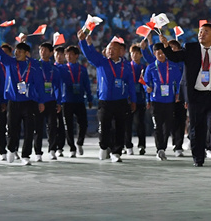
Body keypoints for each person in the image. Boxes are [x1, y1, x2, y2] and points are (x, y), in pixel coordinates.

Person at [159, 22, 211, 167]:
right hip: (196, 96)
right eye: (200, 31)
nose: (202, 34)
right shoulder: (190, 48)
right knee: (196, 128)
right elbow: (175, 58)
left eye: (206, 31)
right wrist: (166, 46)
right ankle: (198, 157)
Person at [77, 30, 137, 163]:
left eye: (114, 49)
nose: (111, 51)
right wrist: (82, 41)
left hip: (121, 102)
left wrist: (133, 100)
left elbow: (131, 85)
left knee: (120, 127)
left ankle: (117, 152)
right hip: (105, 102)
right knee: (104, 126)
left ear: (120, 50)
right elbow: (89, 54)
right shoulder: (101, 62)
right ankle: (104, 147)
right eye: (109, 49)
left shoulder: (126, 66)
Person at [0, 28, 45, 165]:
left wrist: (41, 101)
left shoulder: (34, 66)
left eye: (20, 51)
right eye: (16, 50)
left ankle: (26, 156)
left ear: (27, 53)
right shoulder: (10, 63)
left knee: (28, 131)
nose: (16, 52)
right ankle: (11, 149)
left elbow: (39, 85)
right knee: (12, 129)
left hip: (29, 102)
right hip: (13, 102)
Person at [142, 41, 183, 161]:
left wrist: (177, 94)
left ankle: (163, 147)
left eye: (163, 53)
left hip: (170, 101)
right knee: (158, 126)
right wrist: (147, 89)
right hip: (156, 101)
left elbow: (180, 82)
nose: (161, 55)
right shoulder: (150, 68)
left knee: (168, 126)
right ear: (154, 54)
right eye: (158, 53)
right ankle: (160, 149)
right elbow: (145, 83)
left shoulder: (173, 66)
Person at [59, 45, 93, 157]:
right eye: (66, 54)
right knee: (67, 125)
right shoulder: (62, 68)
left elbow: (87, 85)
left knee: (83, 124)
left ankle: (79, 142)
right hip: (66, 100)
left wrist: (89, 98)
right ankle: (72, 148)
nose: (68, 56)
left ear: (76, 56)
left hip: (79, 100)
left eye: (71, 54)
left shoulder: (82, 69)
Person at [33, 42, 63, 162]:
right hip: (37, 101)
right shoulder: (35, 65)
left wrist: (58, 102)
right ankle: (38, 152)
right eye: (41, 49)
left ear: (51, 53)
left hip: (51, 101)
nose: (42, 52)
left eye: (45, 50)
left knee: (52, 126)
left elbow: (57, 86)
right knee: (38, 127)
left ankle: (52, 150)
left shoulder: (54, 69)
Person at [124, 45, 147, 156]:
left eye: (137, 53)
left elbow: (147, 83)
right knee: (127, 124)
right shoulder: (127, 66)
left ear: (141, 55)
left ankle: (142, 145)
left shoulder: (144, 67)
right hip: (128, 100)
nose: (134, 55)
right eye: (132, 53)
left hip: (140, 99)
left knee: (140, 123)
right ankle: (128, 145)